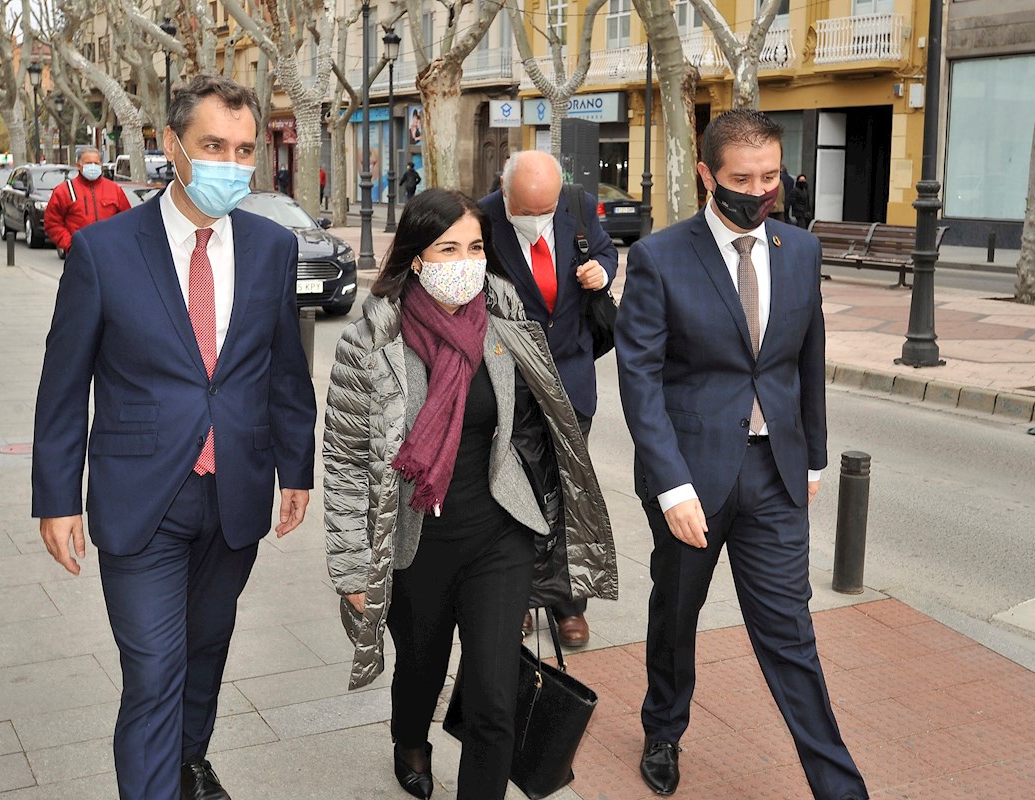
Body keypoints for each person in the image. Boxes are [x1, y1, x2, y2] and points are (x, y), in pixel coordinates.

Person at [31, 75, 318, 800]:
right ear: (171, 146)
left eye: (245, 149)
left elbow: (286, 370)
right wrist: (56, 498)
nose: (231, 161)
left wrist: (298, 469)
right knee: (155, 670)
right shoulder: (103, 252)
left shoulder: (271, 247)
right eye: (213, 145)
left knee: (205, 650)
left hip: (236, 496)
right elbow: (63, 387)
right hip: (141, 500)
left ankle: (191, 759)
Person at [323, 188, 617, 800]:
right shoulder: (370, 341)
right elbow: (347, 461)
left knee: (494, 696)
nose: (466, 260)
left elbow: (549, 423)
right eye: (448, 247)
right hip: (413, 539)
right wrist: (351, 567)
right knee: (421, 668)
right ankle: (411, 739)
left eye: (476, 247)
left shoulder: (507, 323)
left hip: (499, 534)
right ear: (417, 257)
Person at [616, 109, 868, 799]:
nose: (758, 192)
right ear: (707, 175)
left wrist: (814, 458)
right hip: (691, 477)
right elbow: (639, 380)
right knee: (677, 612)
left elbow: (807, 359)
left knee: (790, 634)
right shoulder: (660, 257)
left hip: (776, 473)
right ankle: (664, 729)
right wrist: (670, 487)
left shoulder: (799, 249)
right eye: (741, 179)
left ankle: (840, 787)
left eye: (769, 178)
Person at [479, 150, 618, 648]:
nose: (537, 222)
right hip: (511, 385)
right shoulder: (481, 219)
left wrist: (602, 272)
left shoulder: (577, 206)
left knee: (568, 493)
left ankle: (567, 605)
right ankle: (516, 597)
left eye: (547, 210)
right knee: (514, 496)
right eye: (527, 211)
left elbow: (605, 251)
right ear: (505, 190)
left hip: (572, 379)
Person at [43, 147, 131, 259]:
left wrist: (118, 244)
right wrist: (71, 244)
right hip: (79, 257)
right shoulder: (64, 191)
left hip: (109, 255)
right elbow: (52, 223)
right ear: (78, 165)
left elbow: (127, 221)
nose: (93, 166)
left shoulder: (114, 190)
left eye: (96, 163)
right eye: (88, 163)